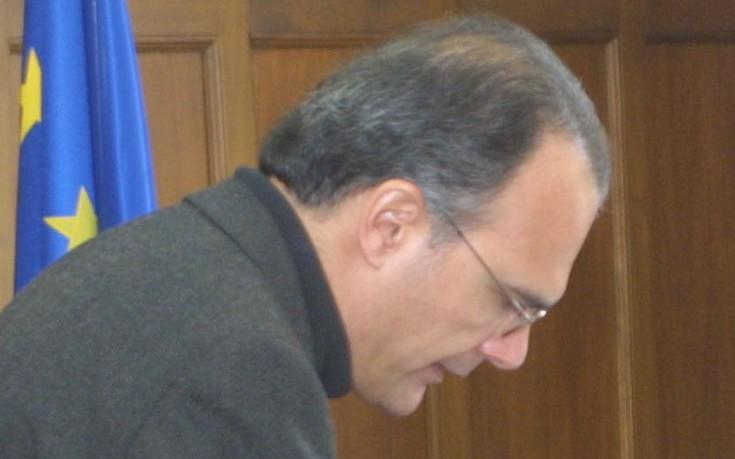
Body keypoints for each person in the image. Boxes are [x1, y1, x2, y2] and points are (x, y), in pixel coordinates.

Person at [0, 14, 610, 458]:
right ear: (392, 225)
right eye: (510, 301)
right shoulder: (234, 381)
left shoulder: (182, 277)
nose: (511, 353)